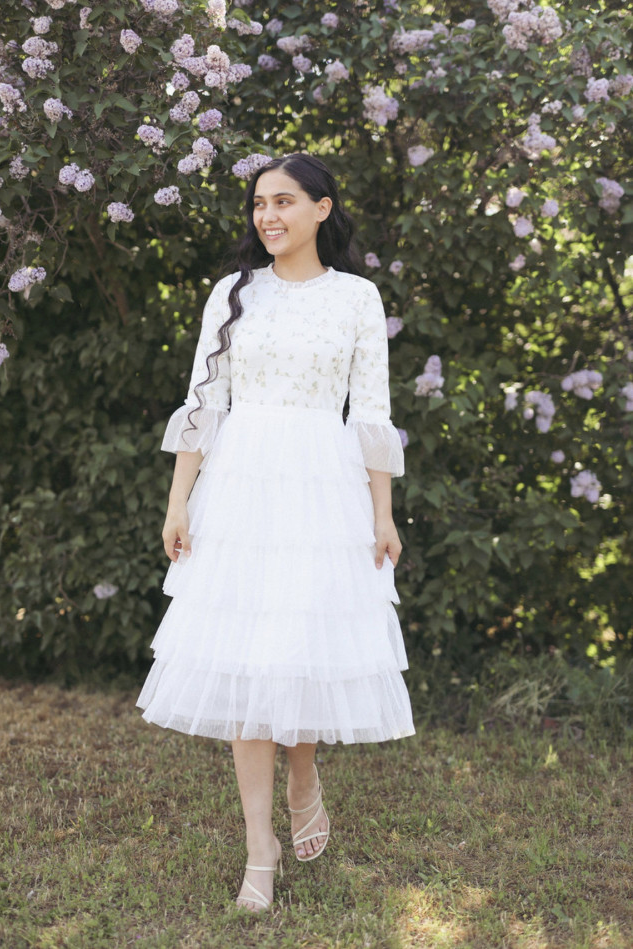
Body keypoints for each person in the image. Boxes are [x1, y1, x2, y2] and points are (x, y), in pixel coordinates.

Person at [136, 153, 416, 913]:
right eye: (260, 203)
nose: (268, 216)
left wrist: (383, 513)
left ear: (322, 209)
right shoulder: (233, 292)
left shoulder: (356, 297)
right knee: (248, 657)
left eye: (284, 201)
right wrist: (178, 502)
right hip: (241, 484)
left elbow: (372, 411)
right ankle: (260, 847)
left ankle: (303, 772)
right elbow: (204, 401)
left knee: (301, 644)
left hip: (324, 483)